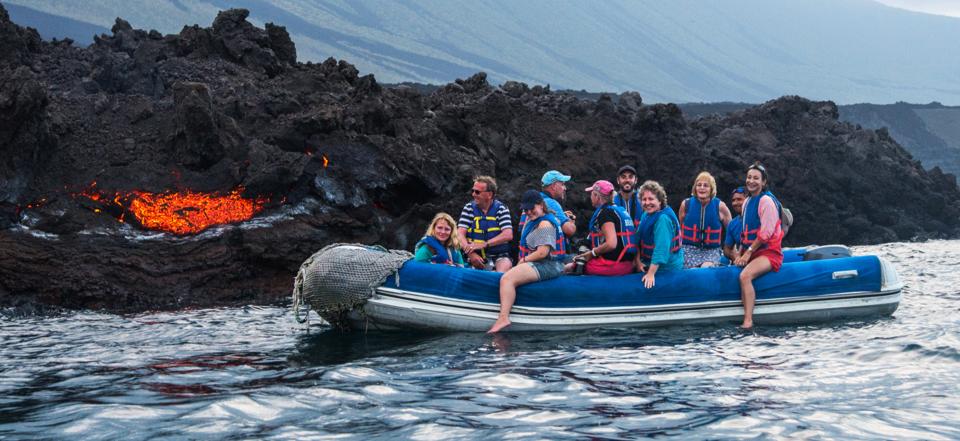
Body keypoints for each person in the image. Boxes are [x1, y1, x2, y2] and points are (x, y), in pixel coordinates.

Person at [488, 190, 566, 333]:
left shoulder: (544, 223)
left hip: (549, 264)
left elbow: (542, 253)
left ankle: (503, 317)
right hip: (543, 262)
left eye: (532, 208)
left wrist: (523, 261)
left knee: (507, 279)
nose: (528, 212)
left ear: (541, 205)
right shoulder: (538, 220)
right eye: (526, 209)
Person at [734, 163, 784, 329]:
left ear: (763, 182)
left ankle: (748, 321)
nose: (751, 181)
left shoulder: (766, 201)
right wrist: (740, 254)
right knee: (737, 271)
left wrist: (748, 253)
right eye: (749, 177)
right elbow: (745, 233)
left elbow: (766, 233)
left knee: (745, 276)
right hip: (753, 251)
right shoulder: (747, 201)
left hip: (769, 253)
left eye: (756, 178)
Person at [565, 180, 637, 276]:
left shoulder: (605, 213)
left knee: (567, 268)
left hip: (613, 266)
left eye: (591, 194)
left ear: (597, 196)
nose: (590, 197)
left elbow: (611, 244)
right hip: (627, 264)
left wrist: (592, 253)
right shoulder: (619, 210)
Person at [458, 176, 514, 272]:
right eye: (473, 191)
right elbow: (460, 234)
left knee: (504, 266)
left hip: (499, 256)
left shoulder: (501, 209)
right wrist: (471, 254)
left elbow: (508, 234)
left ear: (489, 194)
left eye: (477, 192)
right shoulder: (469, 208)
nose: (473, 194)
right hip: (476, 256)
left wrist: (483, 244)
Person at [633, 181, 683, 288]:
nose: (647, 203)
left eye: (651, 199)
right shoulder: (646, 215)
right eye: (644, 199)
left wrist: (650, 274)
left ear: (660, 200)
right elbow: (637, 240)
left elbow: (661, 249)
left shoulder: (663, 220)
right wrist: (637, 262)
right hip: (646, 261)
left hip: (666, 266)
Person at [679, 172, 732, 268]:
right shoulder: (685, 205)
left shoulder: (720, 206)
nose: (702, 188)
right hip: (689, 249)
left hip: (711, 250)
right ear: (695, 187)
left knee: (706, 268)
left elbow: (731, 231)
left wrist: (732, 252)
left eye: (706, 185)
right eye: (699, 185)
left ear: (711, 189)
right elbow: (680, 229)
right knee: (693, 271)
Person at [518, 170, 577, 240]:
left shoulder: (531, 203)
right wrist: (571, 221)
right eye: (562, 184)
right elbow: (570, 230)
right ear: (554, 186)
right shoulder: (552, 203)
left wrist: (561, 215)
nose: (565, 188)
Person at [722, 187, 747, 262]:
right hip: (740, 261)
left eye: (739, 199)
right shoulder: (732, 224)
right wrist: (735, 257)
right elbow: (727, 249)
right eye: (733, 200)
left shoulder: (757, 220)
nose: (735, 203)